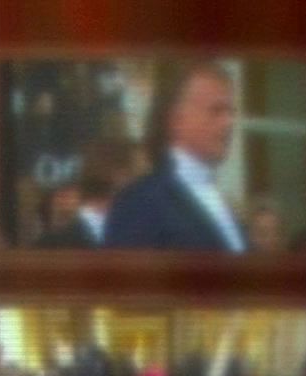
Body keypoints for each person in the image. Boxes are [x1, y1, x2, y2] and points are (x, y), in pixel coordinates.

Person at [104, 62, 248, 252]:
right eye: (216, 111)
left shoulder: (222, 205)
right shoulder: (140, 203)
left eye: (231, 112)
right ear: (176, 120)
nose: (228, 122)